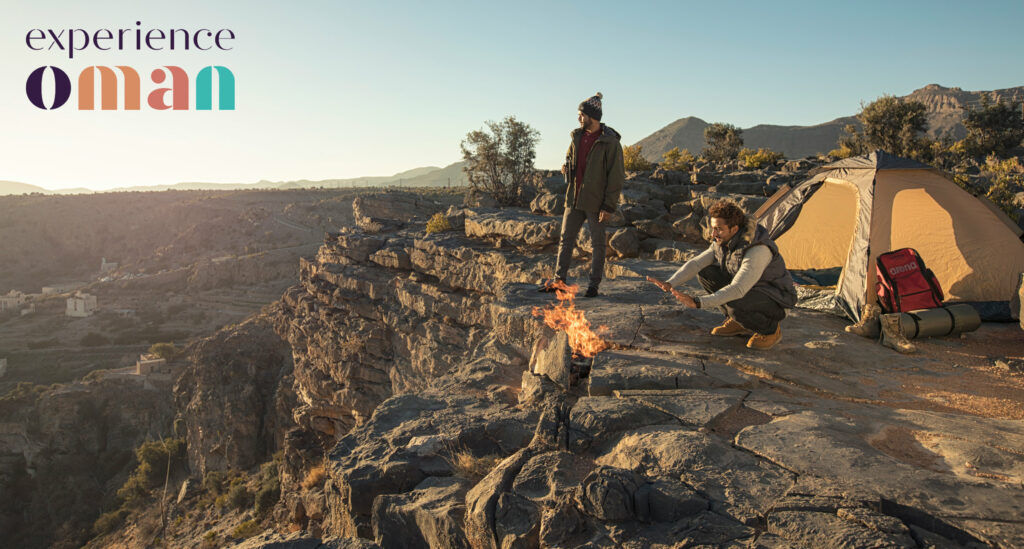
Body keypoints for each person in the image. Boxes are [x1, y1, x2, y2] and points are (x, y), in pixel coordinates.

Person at [647, 200, 797, 350]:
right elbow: (697, 263)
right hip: (752, 291)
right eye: (712, 228)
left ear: (734, 229)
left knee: (735, 301)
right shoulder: (723, 241)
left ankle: (770, 330)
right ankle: (739, 321)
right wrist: (670, 283)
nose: (713, 234)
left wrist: (698, 302)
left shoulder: (757, 250)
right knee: (707, 272)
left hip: (776, 300)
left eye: (718, 229)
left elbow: (739, 289)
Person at [539, 92, 624, 298]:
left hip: (597, 202)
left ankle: (593, 286)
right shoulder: (576, 137)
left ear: (592, 117)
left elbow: (616, 176)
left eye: (581, 115)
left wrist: (608, 206)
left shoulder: (610, 142)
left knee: (597, 245)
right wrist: (565, 168)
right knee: (565, 239)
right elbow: (570, 159)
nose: (578, 118)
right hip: (574, 198)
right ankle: (559, 281)